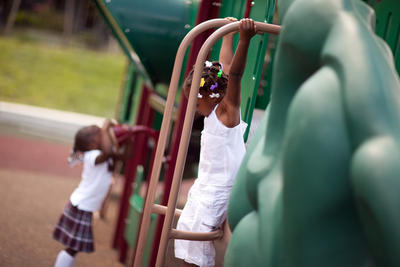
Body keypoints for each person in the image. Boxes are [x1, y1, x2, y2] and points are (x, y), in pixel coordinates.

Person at [174, 18, 257, 267]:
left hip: (219, 189)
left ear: (210, 95)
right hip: (205, 185)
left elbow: (235, 73)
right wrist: (228, 36)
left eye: (196, 103)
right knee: (185, 233)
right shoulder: (212, 113)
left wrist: (243, 38)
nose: (195, 109)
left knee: (196, 245)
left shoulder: (226, 112)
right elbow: (226, 65)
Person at [52, 120, 130, 267]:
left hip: (83, 205)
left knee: (74, 247)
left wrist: (129, 138)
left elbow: (126, 156)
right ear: (92, 144)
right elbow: (107, 152)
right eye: (100, 134)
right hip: (81, 205)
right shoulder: (92, 156)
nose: (104, 134)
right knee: (73, 248)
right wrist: (106, 128)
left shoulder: (101, 154)